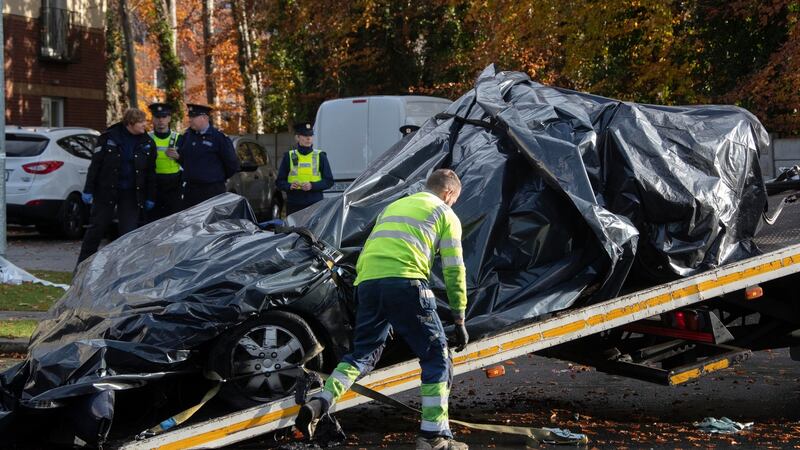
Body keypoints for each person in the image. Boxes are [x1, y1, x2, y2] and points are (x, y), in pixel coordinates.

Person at [295, 169, 470, 450]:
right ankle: (433, 437)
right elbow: (454, 270)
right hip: (406, 283)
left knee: (362, 355)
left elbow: (373, 248)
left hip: (368, 284)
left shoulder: (396, 205)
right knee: (437, 356)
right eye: (454, 200)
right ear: (449, 193)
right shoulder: (444, 213)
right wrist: (459, 317)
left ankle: (321, 401)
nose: (452, 204)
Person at [76, 108, 157, 265]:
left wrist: (150, 196)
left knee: (128, 232)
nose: (144, 125)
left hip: (132, 193)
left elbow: (150, 173)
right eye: (141, 122)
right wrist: (89, 189)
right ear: (130, 123)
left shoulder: (147, 143)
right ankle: (82, 266)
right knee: (96, 228)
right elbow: (96, 166)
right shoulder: (109, 138)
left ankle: (125, 268)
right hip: (106, 190)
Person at [176, 103, 240, 208]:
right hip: (190, 190)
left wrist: (216, 177)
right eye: (189, 116)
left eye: (193, 117)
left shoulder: (218, 138)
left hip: (212, 190)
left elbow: (232, 163)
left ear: (205, 118)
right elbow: (184, 160)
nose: (190, 120)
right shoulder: (187, 136)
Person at [275, 122, 333, 215]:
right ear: (297, 138)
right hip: (294, 204)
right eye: (305, 135)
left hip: (315, 204)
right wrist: (289, 186)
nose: (308, 138)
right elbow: (279, 182)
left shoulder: (320, 156)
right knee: (295, 229)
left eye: (310, 135)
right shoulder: (291, 156)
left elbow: (329, 181)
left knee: (314, 230)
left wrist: (312, 186)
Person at [147, 102, 183, 221]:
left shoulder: (178, 138)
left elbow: (190, 162)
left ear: (169, 118)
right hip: (154, 185)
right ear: (153, 119)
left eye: (164, 117)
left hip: (174, 185)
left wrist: (178, 157)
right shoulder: (147, 138)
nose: (160, 120)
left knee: (173, 221)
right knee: (154, 222)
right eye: (157, 117)